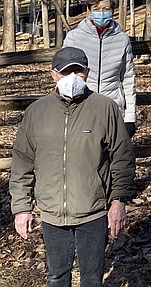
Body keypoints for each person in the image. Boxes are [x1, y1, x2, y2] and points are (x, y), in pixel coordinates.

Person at [10, 46, 135, 287]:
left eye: (78, 72)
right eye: (66, 72)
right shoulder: (37, 112)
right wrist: (21, 208)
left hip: (94, 211)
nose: (72, 78)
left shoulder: (104, 108)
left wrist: (118, 201)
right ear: (53, 75)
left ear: (87, 73)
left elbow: (122, 157)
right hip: (52, 213)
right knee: (56, 277)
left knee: (91, 279)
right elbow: (22, 162)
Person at [63, 0, 137, 138]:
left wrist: (130, 118)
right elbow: (64, 79)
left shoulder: (122, 40)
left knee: (112, 159)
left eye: (106, 8)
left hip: (113, 111)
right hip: (81, 110)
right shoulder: (74, 38)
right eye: (96, 8)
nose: (101, 13)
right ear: (89, 10)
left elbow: (128, 80)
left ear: (113, 10)